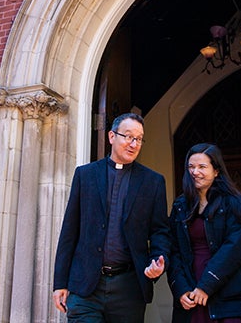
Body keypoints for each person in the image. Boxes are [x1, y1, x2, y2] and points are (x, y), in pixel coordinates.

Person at [52, 112, 170, 322]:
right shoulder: (85, 175)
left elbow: (160, 231)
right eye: (128, 136)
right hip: (86, 286)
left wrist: (157, 261)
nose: (134, 143)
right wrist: (60, 282)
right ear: (111, 137)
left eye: (139, 139)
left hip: (129, 288)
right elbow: (69, 231)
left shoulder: (153, 182)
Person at [168, 143, 241, 323]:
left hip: (227, 295)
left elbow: (233, 249)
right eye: (191, 167)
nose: (195, 172)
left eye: (202, 167)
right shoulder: (180, 206)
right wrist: (181, 289)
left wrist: (206, 286)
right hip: (190, 295)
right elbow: (173, 250)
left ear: (216, 171)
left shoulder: (234, 203)